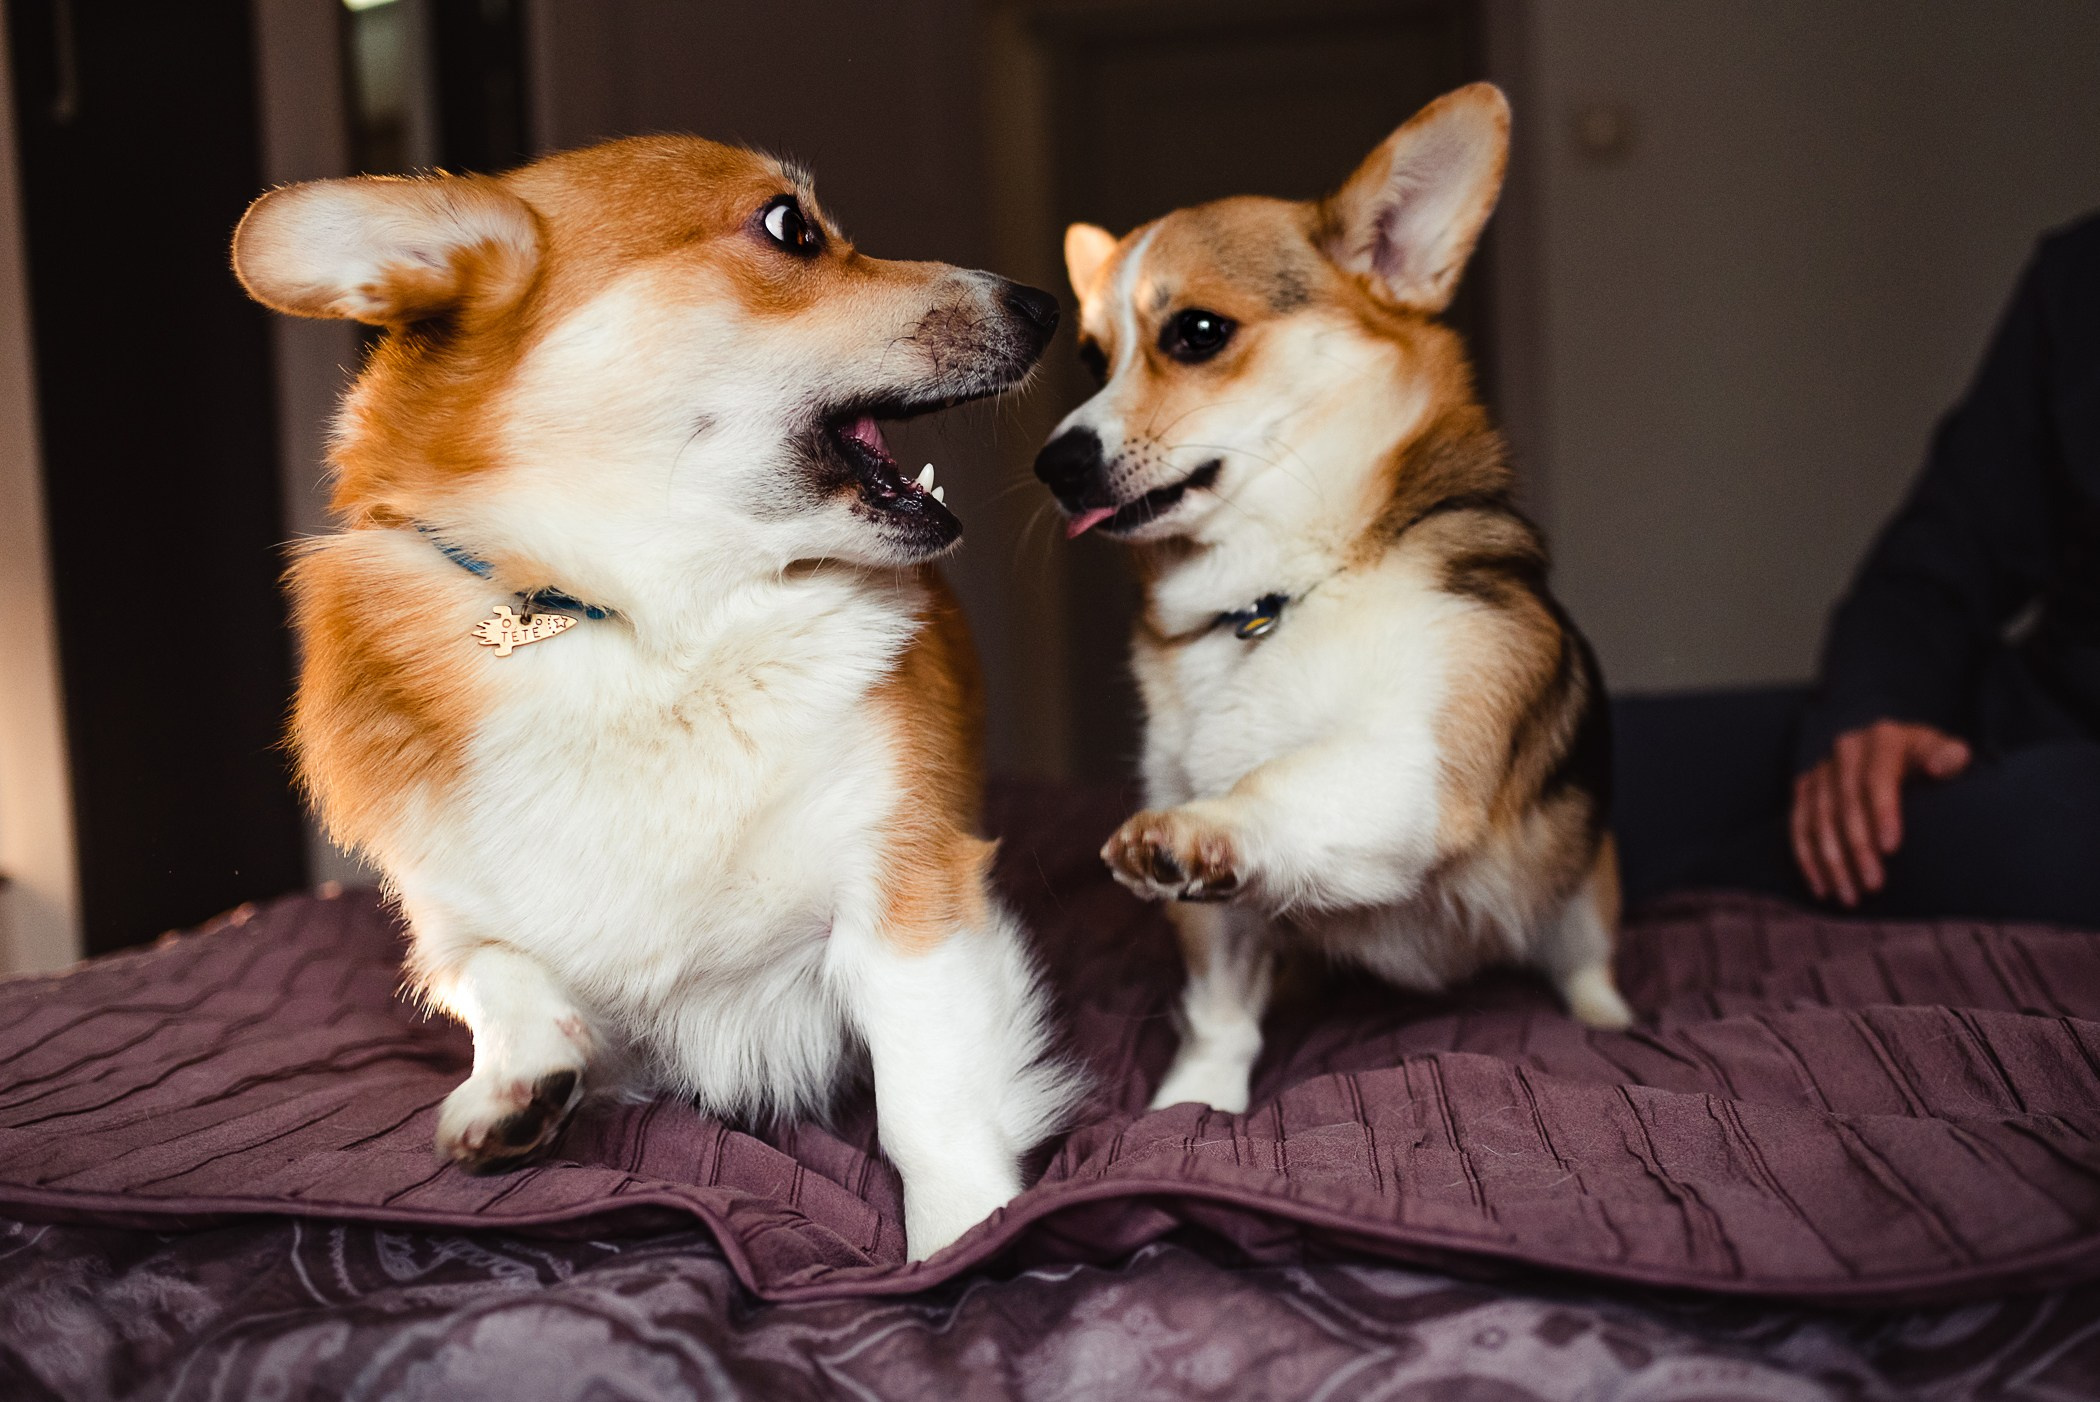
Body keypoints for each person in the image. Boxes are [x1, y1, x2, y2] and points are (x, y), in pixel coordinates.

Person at [1784, 211, 2100, 925]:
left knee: (2048, 829)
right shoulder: (2080, 274)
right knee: (1604, 773)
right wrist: (1878, 717)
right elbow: (1935, 565)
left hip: (2061, 814)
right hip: (2021, 731)